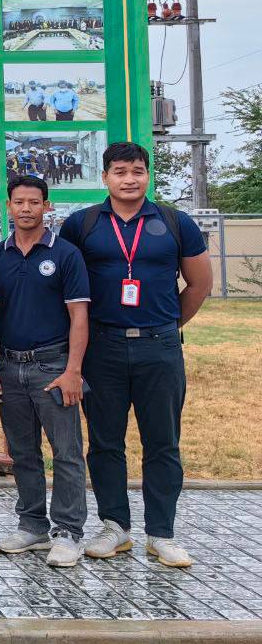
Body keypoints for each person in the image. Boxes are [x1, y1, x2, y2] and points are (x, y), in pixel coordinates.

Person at [59, 142, 212, 568]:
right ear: (105, 177)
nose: (130, 179)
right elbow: (66, 289)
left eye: (138, 171)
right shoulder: (82, 224)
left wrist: (166, 325)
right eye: (121, 171)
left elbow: (200, 284)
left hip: (159, 348)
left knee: (162, 442)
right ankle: (115, 527)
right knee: (105, 442)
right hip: (101, 347)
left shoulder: (175, 222)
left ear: (148, 175)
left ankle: (162, 534)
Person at [0, 176, 91, 568]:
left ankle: (68, 533)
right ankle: (32, 525)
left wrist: (73, 370)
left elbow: (79, 316)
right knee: (22, 452)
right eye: (19, 202)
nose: (26, 209)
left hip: (53, 365)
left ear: (47, 206)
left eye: (34, 202)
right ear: (9, 206)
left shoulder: (65, 254)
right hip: (9, 365)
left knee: (66, 452)